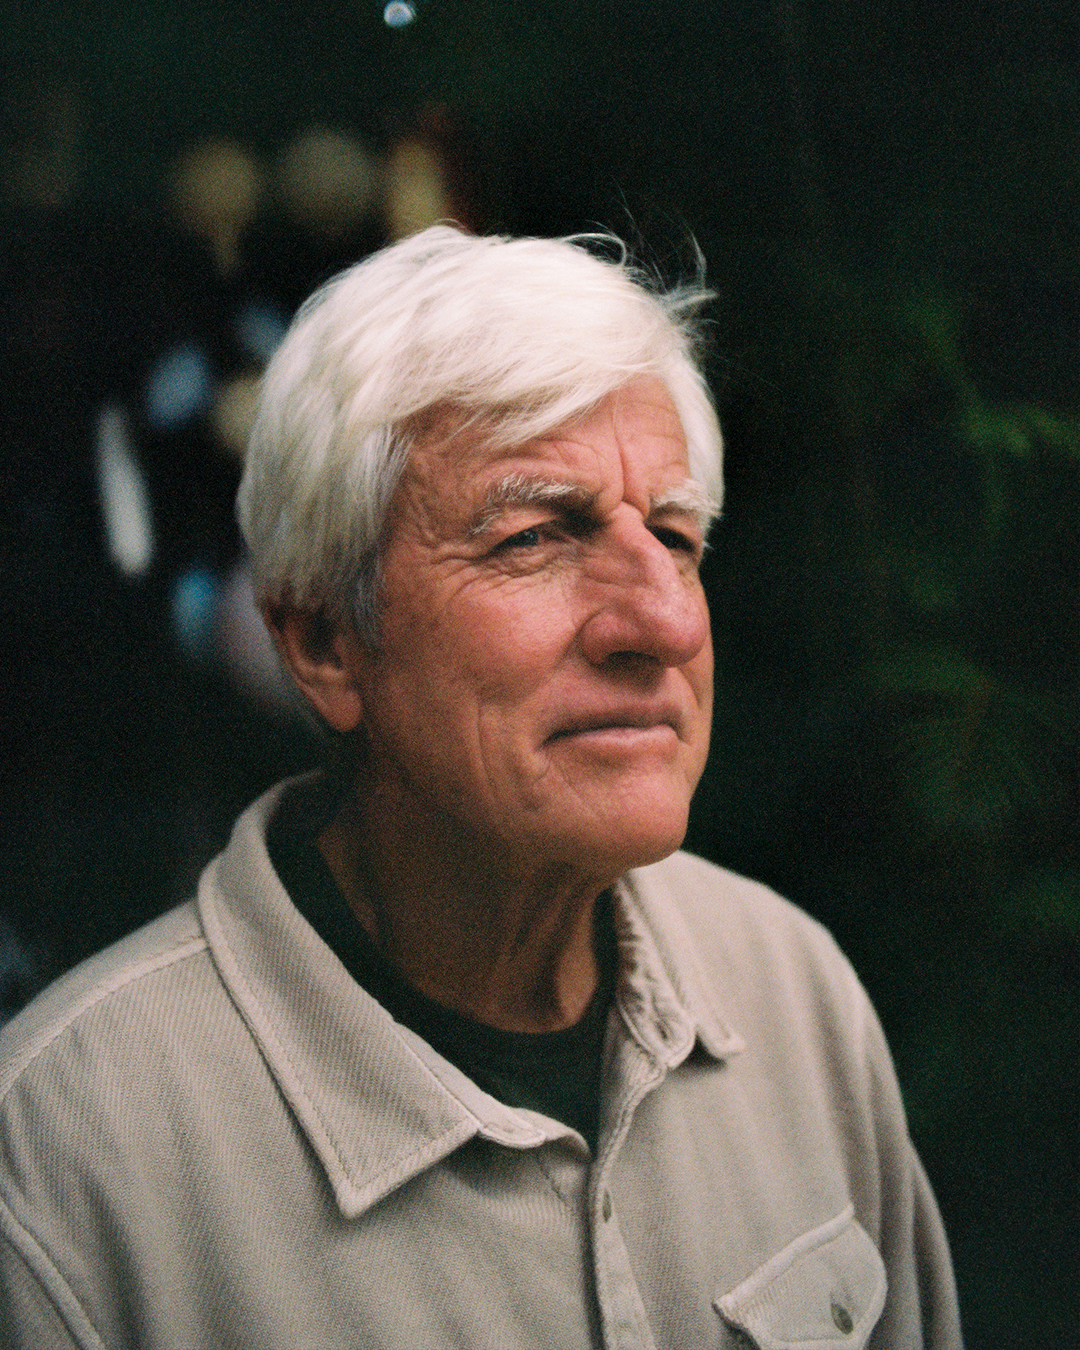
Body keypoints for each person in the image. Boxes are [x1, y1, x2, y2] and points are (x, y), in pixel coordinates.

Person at [0, 226, 962, 1349]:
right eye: (534, 537)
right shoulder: (62, 1173)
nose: (661, 622)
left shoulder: (790, 990)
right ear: (321, 641)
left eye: (674, 535)